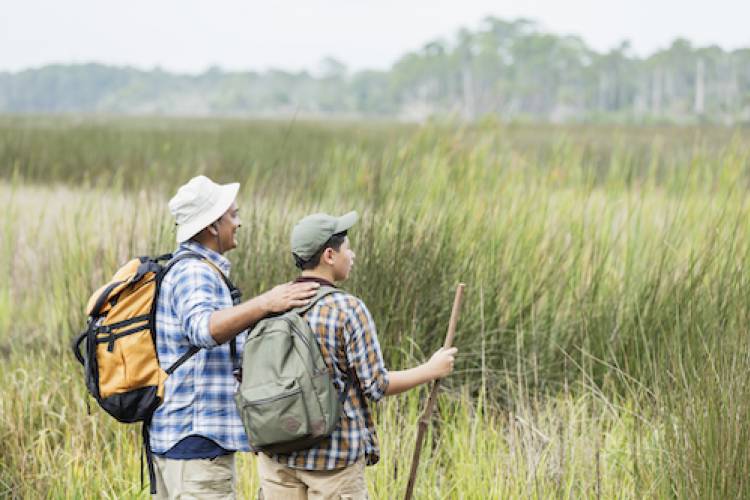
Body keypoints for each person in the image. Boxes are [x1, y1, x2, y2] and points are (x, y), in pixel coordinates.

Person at [256, 210, 458, 499]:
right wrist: (431, 369)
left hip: (276, 455)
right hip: (333, 460)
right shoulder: (347, 309)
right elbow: (376, 386)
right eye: (347, 248)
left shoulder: (271, 304)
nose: (352, 255)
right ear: (329, 255)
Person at [151, 175, 319, 499]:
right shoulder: (194, 271)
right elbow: (204, 329)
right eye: (233, 215)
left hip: (188, 444)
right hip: (195, 444)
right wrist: (267, 302)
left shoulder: (197, 269)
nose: (238, 223)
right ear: (213, 225)